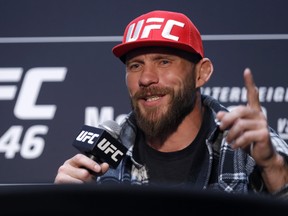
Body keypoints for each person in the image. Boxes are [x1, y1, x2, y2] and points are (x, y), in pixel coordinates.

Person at [54, 10, 288, 198]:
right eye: (135, 65)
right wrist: (65, 204)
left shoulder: (249, 144)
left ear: (201, 73)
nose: (146, 78)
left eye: (164, 62)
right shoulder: (104, 160)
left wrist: (272, 167)